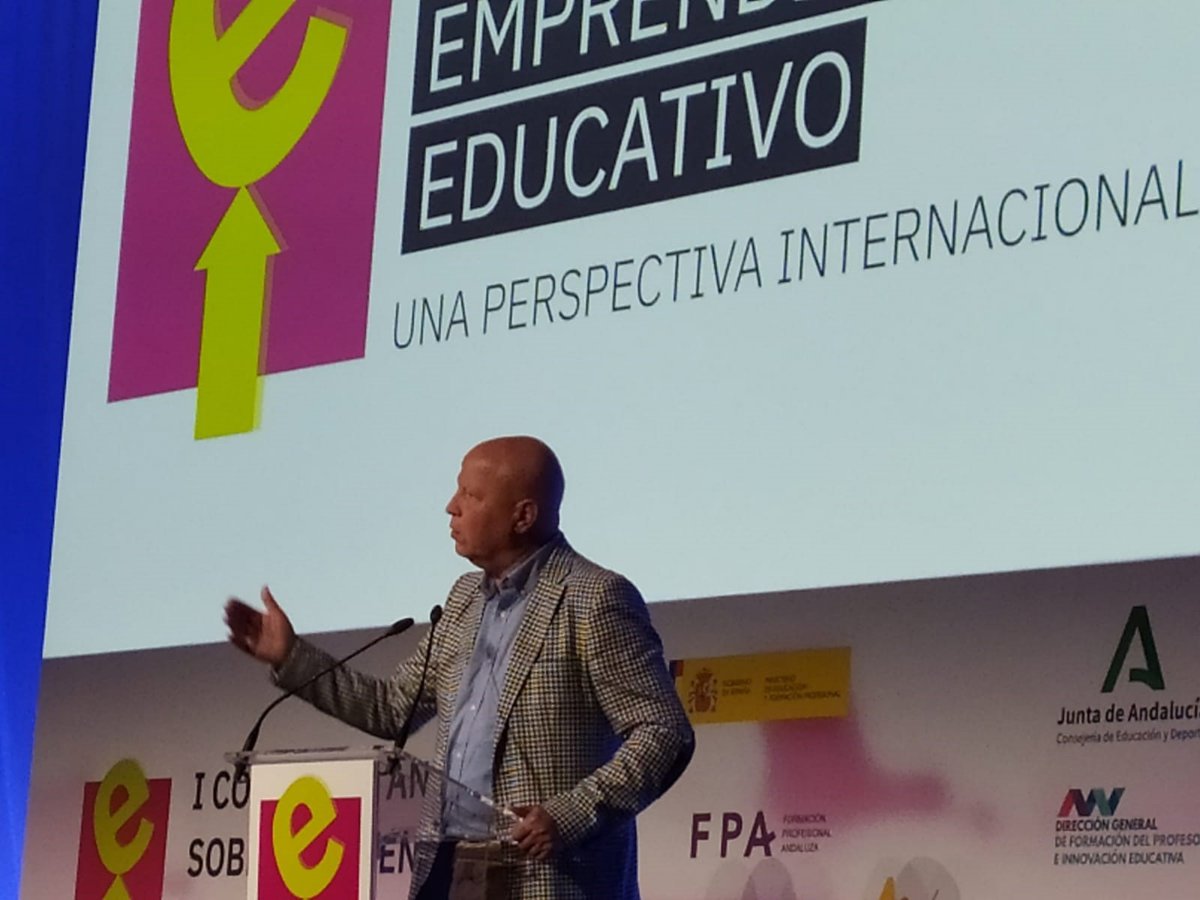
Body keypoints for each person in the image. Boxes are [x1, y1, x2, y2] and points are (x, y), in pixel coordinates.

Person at [225, 436, 694, 899]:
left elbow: (664, 732)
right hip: (451, 866)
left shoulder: (593, 598)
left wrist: (568, 814)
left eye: (470, 495)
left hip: (549, 878)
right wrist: (290, 655)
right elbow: (392, 709)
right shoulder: (464, 600)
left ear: (523, 516)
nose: (451, 507)